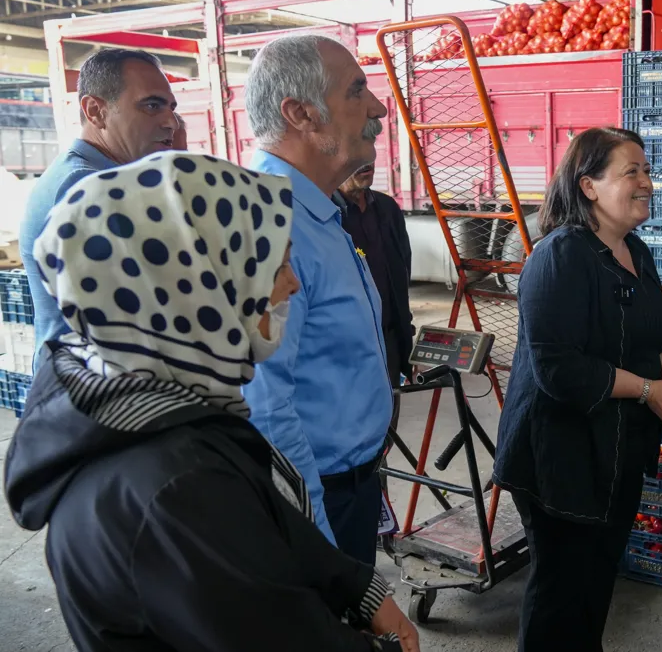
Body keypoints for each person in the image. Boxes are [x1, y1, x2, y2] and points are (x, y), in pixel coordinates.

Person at [2, 153, 419, 652]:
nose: (292, 283)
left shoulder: (158, 408)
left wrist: (356, 587)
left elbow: (266, 517)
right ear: (199, 286)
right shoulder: (175, 487)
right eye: (276, 266)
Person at [492, 127, 662, 652]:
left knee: (596, 583)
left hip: (618, 450)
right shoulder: (559, 256)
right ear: (588, 186)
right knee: (560, 592)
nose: (647, 183)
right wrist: (647, 389)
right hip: (561, 456)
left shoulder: (634, 251)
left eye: (647, 171)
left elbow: (656, 328)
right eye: (632, 172)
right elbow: (558, 369)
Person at [241, 34, 393, 565]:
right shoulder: (266, 223)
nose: (377, 109)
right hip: (319, 501)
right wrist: (321, 552)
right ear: (301, 113)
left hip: (350, 486)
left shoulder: (315, 211)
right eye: (357, 91)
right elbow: (263, 412)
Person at [20, 49, 177, 372]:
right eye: (151, 105)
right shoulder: (85, 186)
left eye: (170, 108)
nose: (170, 122)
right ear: (95, 111)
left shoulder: (97, 178)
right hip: (93, 388)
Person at [335, 162, 415, 386]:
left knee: (391, 405)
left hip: (389, 341)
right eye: (356, 150)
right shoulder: (324, 215)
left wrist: (404, 334)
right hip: (347, 349)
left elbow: (401, 275)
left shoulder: (387, 208)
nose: (366, 160)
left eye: (370, 147)